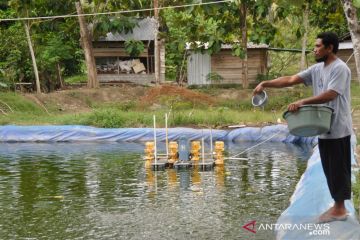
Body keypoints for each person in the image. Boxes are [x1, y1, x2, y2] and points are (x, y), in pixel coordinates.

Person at [253, 32, 352, 223]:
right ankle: (337, 207)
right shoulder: (317, 69)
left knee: (339, 168)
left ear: (329, 48)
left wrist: (302, 102)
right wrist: (265, 83)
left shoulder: (340, 69)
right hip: (322, 126)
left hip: (338, 127)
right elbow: (290, 79)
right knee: (329, 169)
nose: (314, 49)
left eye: (318, 46)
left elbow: (330, 94)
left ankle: (340, 209)